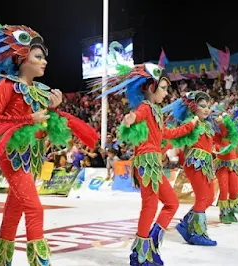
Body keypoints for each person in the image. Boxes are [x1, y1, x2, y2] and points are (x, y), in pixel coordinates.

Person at [0, 22, 98, 265]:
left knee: (13, 213)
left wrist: (53, 110)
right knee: (34, 209)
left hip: (33, 157)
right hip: (13, 157)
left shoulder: (41, 91)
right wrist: (27, 118)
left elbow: (43, 125)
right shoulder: (6, 86)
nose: (44, 61)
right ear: (22, 59)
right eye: (38, 56)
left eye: (44, 57)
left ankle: (1, 262)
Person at [93, 63, 198, 265]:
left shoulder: (156, 111)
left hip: (153, 165)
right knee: (149, 207)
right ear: (151, 87)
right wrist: (130, 119)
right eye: (164, 88)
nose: (167, 94)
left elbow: (168, 134)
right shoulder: (145, 108)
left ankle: (151, 244)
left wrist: (189, 126)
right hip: (146, 164)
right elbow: (136, 116)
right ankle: (140, 255)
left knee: (171, 203)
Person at [163, 91, 225, 245]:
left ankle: (186, 224)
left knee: (210, 197)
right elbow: (175, 135)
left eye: (208, 106)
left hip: (206, 163)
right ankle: (198, 233)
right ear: (193, 107)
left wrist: (224, 122)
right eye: (202, 106)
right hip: (195, 162)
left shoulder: (207, 124)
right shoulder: (191, 121)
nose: (206, 109)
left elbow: (223, 136)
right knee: (203, 197)